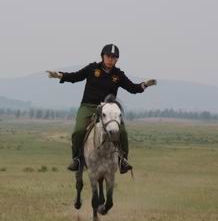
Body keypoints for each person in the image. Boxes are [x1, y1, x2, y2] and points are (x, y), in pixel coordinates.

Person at [47, 44, 156, 173]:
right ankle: (76, 158)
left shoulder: (118, 75)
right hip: (88, 106)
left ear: (117, 60)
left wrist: (145, 85)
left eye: (114, 57)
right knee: (79, 130)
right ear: (103, 56)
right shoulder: (92, 68)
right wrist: (59, 75)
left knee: (122, 132)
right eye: (108, 56)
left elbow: (132, 88)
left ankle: (123, 160)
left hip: (108, 109)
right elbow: (76, 77)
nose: (110, 59)